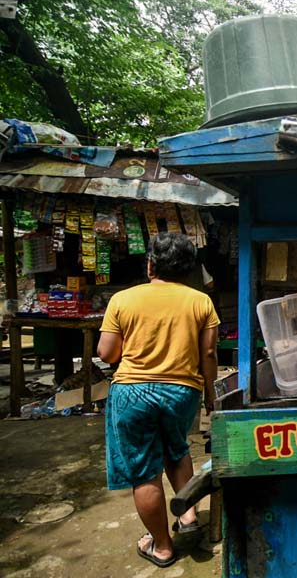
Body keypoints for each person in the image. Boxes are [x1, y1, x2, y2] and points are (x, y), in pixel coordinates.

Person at [98, 232, 219, 568]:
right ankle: (189, 515)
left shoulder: (124, 299)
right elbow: (208, 352)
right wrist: (211, 396)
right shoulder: (200, 301)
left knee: (144, 472)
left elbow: (107, 354)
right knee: (177, 448)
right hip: (182, 392)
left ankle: (162, 547)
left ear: (150, 264)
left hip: (132, 392)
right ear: (188, 269)